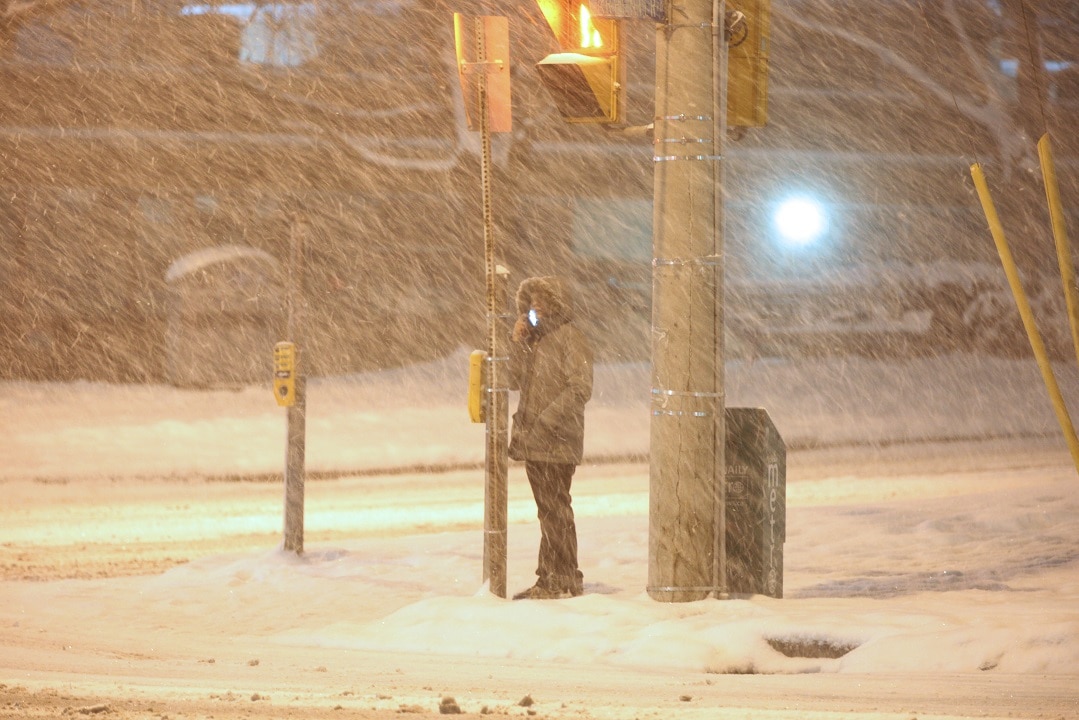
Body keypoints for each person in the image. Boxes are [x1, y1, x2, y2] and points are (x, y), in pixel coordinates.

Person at [508, 276, 594, 600]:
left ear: (557, 304)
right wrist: (518, 343)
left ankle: (561, 578)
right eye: (532, 303)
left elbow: (580, 387)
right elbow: (512, 380)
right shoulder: (535, 342)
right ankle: (554, 577)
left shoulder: (571, 337)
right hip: (535, 441)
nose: (537, 308)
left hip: (556, 440)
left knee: (555, 511)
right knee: (550, 511)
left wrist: (545, 422)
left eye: (543, 301)